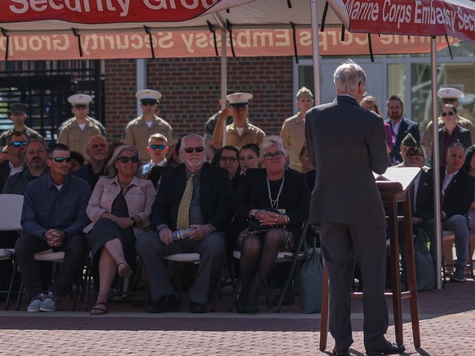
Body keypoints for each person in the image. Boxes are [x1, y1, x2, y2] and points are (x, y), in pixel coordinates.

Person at [307, 61, 401, 356]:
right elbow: (381, 165)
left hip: (328, 204)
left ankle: (341, 341)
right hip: (364, 206)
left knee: (337, 276)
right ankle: (374, 339)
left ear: (336, 86)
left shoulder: (313, 116)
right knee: (372, 274)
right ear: (360, 87)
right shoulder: (370, 119)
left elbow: (313, 158)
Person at [136, 134, 233, 314]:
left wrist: (208, 228)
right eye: (189, 150)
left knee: (216, 244)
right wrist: (162, 227)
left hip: (204, 236)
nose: (194, 153)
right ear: (181, 154)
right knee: (145, 243)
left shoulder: (218, 175)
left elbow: (226, 210)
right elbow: (158, 209)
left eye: (199, 149)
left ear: (205, 152)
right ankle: (165, 296)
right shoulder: (170, 175)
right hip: (174, 237)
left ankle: (198, 298)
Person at [233, 136, 309, 313]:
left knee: (273, 236)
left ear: (286, 156)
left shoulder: (297, 179)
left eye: (278, 154)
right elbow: (237, 204)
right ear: (262, 160)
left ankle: (253, 291)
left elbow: (306, 209)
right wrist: (255, 213)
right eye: (269, 155)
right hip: (254, 227)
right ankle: (244, 289)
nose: (274, 158)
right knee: (251, 244)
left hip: (285, 232)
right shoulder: (252, 177)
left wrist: (285, 219)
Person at [16, 143, 91, 312]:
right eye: (59, 159)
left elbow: (83, 219)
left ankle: (54, 293)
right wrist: (44, 233)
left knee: (79, 245)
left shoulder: (82, 186)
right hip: (42, 234)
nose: (65, 164)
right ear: (49, 162)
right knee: (22, 244)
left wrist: (64, 233)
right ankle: (36, 294)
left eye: (67, 159)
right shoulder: (33, 187)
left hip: (69, 234)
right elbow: (27, 220)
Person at [85, 144, 155, 315]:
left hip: (131, 232)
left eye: (133, 159)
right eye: (124, 159)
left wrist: (132, 220)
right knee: (104, 226)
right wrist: (115, 219)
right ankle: (121, 263)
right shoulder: (103, 183)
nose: (129, 162)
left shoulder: (146, 185)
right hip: (105, 227)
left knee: (106, 242)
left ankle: (101, 299)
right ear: (116, 163)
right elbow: (91, 208)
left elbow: (150, 212)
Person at [413, 143, 473, 281]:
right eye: (453, 155)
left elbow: (464, 206)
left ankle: (461, 267)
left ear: (464, 159)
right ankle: (433, 267)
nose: (456, 159)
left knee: (460, 220)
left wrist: (444, 213)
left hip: (449, 217)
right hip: (429, 216)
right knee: (434, 224)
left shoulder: (467, 179)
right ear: (447, 156)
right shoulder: (433, 173)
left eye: (460, 156)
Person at [424, 87, 475, 157]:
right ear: (441, 104)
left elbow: (474, 146)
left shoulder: (466, 124)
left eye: (451, 102)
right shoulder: (434, 124)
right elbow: (427, 147)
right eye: (445, 102)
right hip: (440, 164)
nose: (448, 104)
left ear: (457, 103)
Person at [123, 90, 175, 162]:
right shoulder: (132, 126)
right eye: (145, 103)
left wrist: (166, 163)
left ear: (156, 105)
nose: (148, 106)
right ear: (141, 105)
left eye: (151, 103)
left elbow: (172, 146)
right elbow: (127, 147)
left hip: (160, 165)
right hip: (139, 166)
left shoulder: (165, 126)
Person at [280, 87, 314, 172]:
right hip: (295, 167)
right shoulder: (289, 123)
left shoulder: (318, 121)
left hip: (313, 166)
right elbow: (282, 144)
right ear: (297, 103)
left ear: (312, 102)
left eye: (308, 100)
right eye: (303, 101)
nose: (306, 103)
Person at [385, 95, 420, 166]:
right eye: (391, 107)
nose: (394, 110)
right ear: (388, 109)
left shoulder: (412, 127)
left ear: (402, 108)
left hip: (405, 168)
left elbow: (416, 150)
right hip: (386, 168)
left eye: (397, 107)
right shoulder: (382, 126)